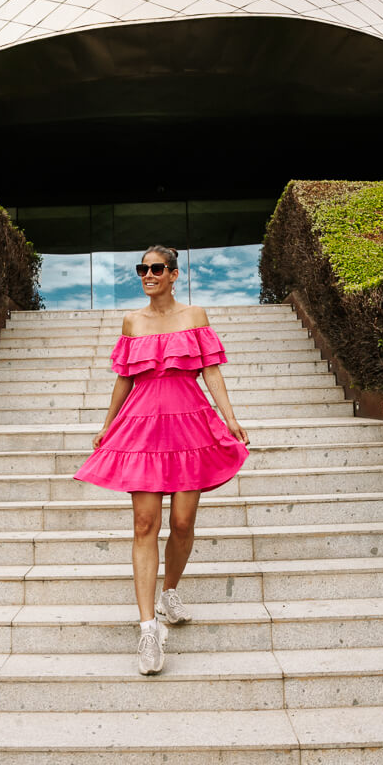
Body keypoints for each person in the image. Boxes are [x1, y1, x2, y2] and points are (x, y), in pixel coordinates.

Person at [73, 245, 249, 675]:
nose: (147, 275)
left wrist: (230, 418)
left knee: (184, 522)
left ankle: (170, 591)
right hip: (142, 427)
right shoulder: (133, 321)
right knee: (144, 523)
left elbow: (211, 372)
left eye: (155, 269)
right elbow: (124, 379)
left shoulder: (195, 316)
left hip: (189, 425)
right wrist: (106, 424)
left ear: (173, 274)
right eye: (142, 269)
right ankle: (148, 629)